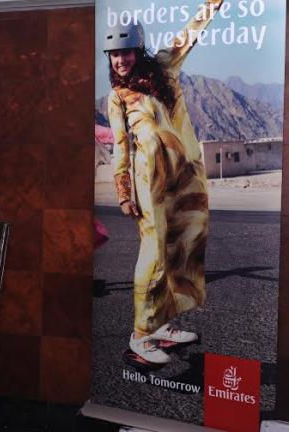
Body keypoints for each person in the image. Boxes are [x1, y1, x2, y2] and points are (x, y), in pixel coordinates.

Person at [103, 0, 221, 365]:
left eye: (125, 52)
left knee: (183, 244)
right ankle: (141, 334)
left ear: (138, 50)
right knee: (153, 254)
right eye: (114, 55)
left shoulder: (165, 68)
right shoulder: (117, 98)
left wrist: (213, 4)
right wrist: (123, 192)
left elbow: (191, 33)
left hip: (184, 177)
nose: (120, 60)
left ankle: (162, 323)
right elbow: (121, 148)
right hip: (148, 182)